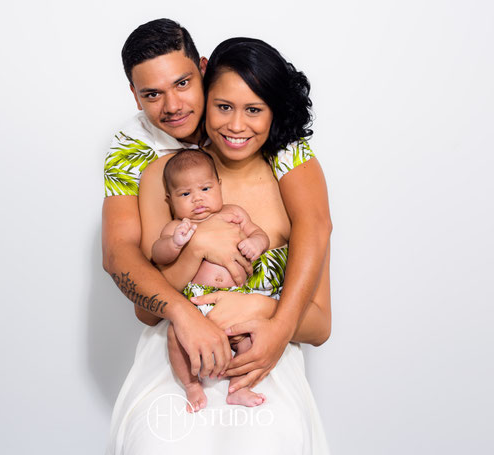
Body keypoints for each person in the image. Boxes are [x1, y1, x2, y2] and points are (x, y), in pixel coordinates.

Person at [105, 28, 332, 453]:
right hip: (178, 355)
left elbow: (320, 319)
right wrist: (195, 250)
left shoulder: (290, 166)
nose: (236, 124)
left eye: (182, 83)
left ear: (201, 73)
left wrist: (267, 312)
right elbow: (132, 278)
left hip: (260, 358)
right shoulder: (160, 172)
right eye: (224, 106)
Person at [152, 149, 271, 411]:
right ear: (170, 199)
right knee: (174, 336)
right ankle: (192, 385)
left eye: (205, 189)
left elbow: (260, 234)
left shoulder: (234, 213)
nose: (198, 199)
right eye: (185, 194)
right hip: (197, 303)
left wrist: (256, 242)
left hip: (235, 301)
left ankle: (239, 388)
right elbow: (157, 254)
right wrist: (175, 243)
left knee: (249, 341)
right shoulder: (178, 226)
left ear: (219, 185)